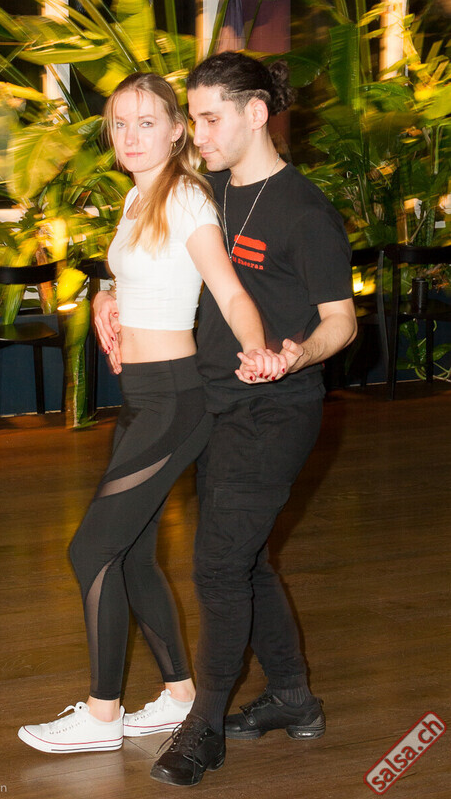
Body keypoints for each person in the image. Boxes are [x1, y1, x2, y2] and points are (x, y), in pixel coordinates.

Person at [95, 52, 356, 786]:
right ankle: (293, 696)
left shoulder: (303, 212)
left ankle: (202, 725)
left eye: (210, 119)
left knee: (216, 564)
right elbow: (150, 258)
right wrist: (108, 295)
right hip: (205, 399)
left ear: (255, 113)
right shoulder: (200, 190)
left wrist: (296, 353)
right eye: (194, 118)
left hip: (273, 411)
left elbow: (341, 321)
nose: (198, 133)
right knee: (245, 559)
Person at [18, 71, 277, 755]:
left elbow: (229, 291)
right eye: (120, 123)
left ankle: (102, 715)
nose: (130, 136)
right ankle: (179, 696)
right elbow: (145, 274)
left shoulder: (186, 198)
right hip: (141, 398)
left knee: (90, 549)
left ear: (176, 130)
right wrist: (108, 297)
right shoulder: (139, 195)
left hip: (172, 400)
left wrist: (255, 348)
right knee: (130, 552)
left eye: (146, 122)